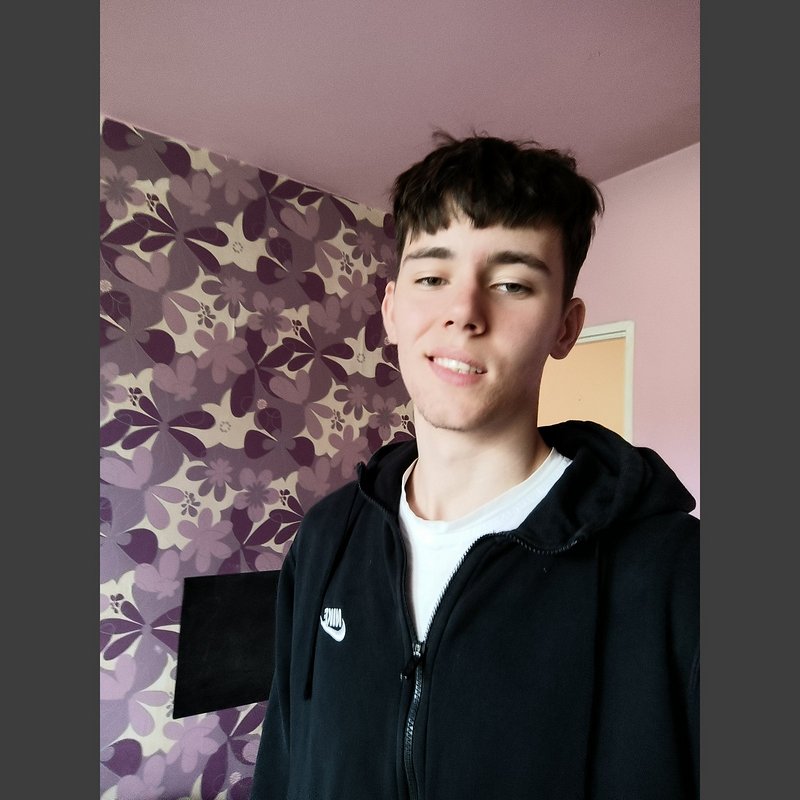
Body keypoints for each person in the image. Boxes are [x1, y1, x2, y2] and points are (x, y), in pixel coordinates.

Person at [249, 132, 699, 800]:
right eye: (432, 278)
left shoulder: (679, 573)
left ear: (565, 327)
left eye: (513, 284)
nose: (463, 313)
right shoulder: (323, 540)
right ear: (392, 310)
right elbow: (284, 766)